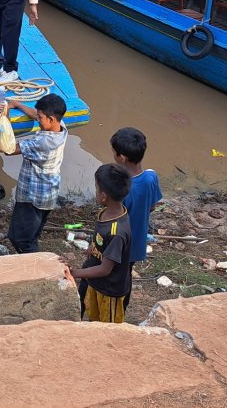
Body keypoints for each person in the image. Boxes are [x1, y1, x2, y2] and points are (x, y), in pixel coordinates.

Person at [2, 93, 68, 254]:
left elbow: (8, 149)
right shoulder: (61, 128)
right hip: (48, 194)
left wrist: (5, 116)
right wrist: (19, 105)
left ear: (51, 119)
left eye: (40, 118)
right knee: (31, 235)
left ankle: (34, 265)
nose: (37, 119)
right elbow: (35, 113)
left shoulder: (43, 143)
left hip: (32, 197)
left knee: (20, 239)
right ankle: (32, 256)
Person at [66, 164, 132, 324]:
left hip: (109, 290)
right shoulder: (105, 213)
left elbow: (104, 269)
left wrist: (75, 273)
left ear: (103, 196)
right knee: (93, 317)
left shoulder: (117, 232)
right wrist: (92, 247)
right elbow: (100, 237)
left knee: (107, 327)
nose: (94, 191)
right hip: (95, 281)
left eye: (96, 188)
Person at [111, 127, 162, 269]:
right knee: (126, 272)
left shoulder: (119, 187)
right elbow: (152, 206)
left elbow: (113, 217)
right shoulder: (151, 177)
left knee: (112, 273)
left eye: (114, 152)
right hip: (137, 242)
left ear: (121, 158)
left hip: (117, 242)